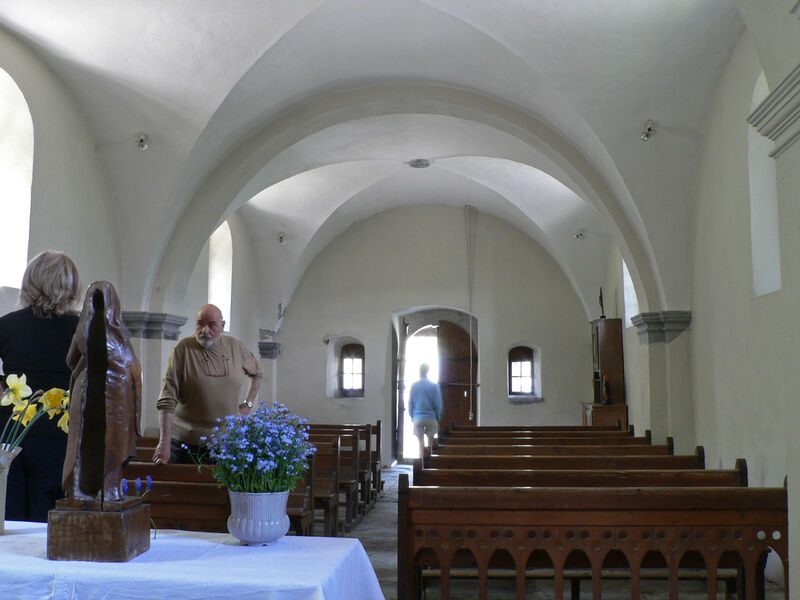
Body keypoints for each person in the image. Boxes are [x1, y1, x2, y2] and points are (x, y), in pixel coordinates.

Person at [0, 250, 81, 521]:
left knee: (7, 519)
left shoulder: (8, 325)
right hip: (60, 434)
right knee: (47, 522)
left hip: (10, 431)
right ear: (72, 286)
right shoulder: (82, 329)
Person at [62, 281, 142, 502]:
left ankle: (84, 491)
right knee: (111, 446)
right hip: (118, 398)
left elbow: (71, 360)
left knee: (90, 445)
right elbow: (133, 369)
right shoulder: (121, 338)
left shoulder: (83, 332)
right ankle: (105, 491)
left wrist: (84, 367)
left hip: (89, 392)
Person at [153, 304, 263, 464]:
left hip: (227, 443)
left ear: (222, 325)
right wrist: (164, 443)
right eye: (200, 324)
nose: (205, 330)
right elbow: (166, 400)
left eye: (211, 325)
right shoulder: (183, 350)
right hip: (185, 444)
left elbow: (258, 372)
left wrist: (248, 404)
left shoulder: (236, 347)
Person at [408, 363, 443, 457]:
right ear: (428, 372)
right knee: (430, 440)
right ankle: (429, 460)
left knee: (420, 442)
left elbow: (410, 403)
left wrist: (412, 416)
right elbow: (438, 405)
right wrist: (438, 418)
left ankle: (421, 461)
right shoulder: (434, 386)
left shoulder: (414, 386)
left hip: (418, 417)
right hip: (431, 418)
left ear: (419, 372)